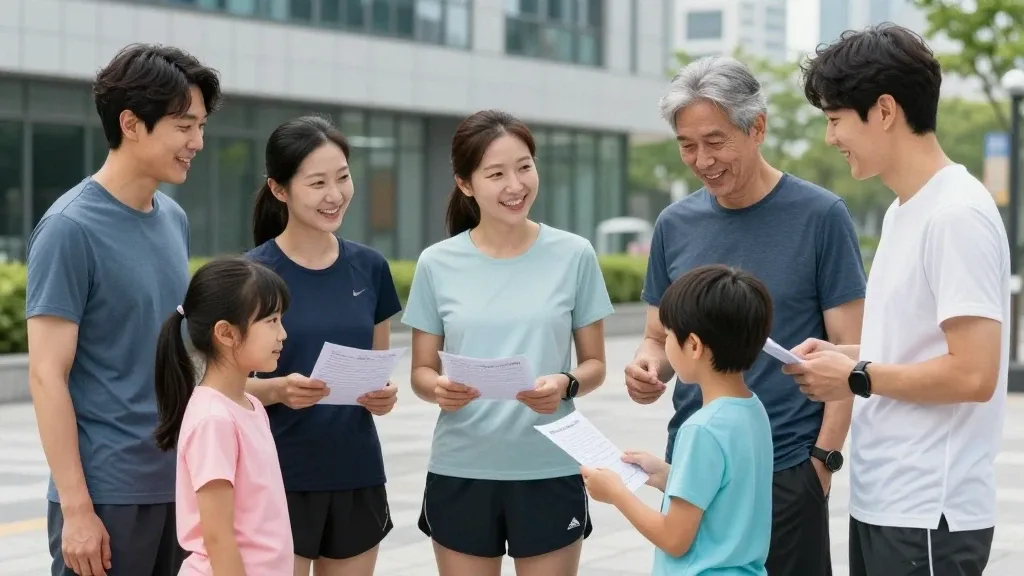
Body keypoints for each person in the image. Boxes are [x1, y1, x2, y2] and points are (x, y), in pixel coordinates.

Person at [623, 55, 866, 576]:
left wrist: (822, 464)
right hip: (692, 467)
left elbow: (852, 352)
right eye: (687, 145)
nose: (702, 160)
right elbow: (656, 335)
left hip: (785, 470)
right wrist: (648, 368)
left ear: (757, 128)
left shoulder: (821, 216)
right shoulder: (674, 224)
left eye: (715, 141)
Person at [788, 24, 1007, 576]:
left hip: (930, 512)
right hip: (887, 499)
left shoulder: (956, 215)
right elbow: (915, 342)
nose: (830, 138)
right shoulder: (904, 208)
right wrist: (846, 358)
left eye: (836, 119)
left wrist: (856, 376)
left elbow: (974, 374)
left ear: (884, 111)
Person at [25, 43, 221, 576]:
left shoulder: (172, 219)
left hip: (175, 481)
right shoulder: (69, 229)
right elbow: (46, 375)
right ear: (131, 122)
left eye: (200, 126)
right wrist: (78, 508)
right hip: (106, 494)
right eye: (185, 126)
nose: (197, 142)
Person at [401, 109, 615, 576]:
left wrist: (566, 384)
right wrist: (438, 388)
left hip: (550, 466)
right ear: (466, 183)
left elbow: (595, 363)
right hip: (461, 468)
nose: (515, 185)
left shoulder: (574, 254)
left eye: (524, 167)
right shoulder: (436, 263)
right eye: (496, 174)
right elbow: (420, 371)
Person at [245, 115, 402, 576]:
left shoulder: (370, 268)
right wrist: (276, 391)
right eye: (317, 183)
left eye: (343, 178)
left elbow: (376, 369)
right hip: (276, 478)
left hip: (356, 474)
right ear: (280, 189)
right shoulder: (252, 276)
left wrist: (383, 396)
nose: (335, 195)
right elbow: (217, 390)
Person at [582, 264, 774, 575]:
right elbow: (723, 495)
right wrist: (664, 474)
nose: (665, 344)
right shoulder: (752, 410)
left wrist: (615, 493)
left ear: (694, 346)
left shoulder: (702, 429)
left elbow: (674, 538)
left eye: (669, 335)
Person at [153, 257, 293, 575]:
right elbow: (218, 538)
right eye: (271, 321)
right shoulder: (213, 420)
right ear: (227, 333)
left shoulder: (249, 406)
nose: (282, 333)